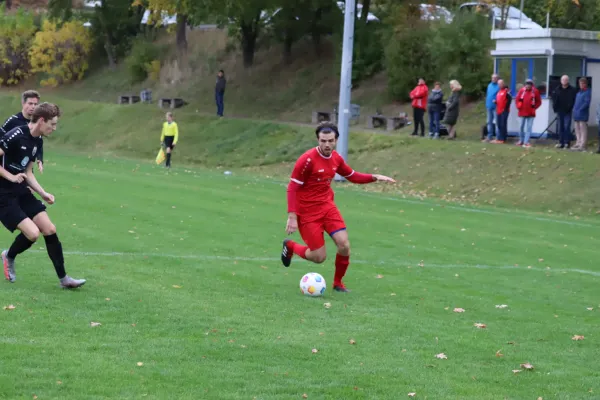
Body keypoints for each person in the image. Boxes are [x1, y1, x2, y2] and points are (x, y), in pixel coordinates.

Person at [280, 122, 396, 292]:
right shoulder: (307, 160)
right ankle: (290, 246)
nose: (327, 144)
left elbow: (352, 175)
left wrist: (374, 177)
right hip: (308, 213)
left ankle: (338, 283)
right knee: (318, 257)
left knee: (344, 245)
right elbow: (293, 187)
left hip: (327, 208)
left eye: (330, 141)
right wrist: (292, 216)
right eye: (323, 141)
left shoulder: (336, 158)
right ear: (318, 140)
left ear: (336, 140)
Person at [0, 103, 86, 288]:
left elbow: (28, 172)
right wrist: (11, 176)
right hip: (3, 194)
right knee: (32, 234)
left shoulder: (38, 140)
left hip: (21, 190)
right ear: (41, 121)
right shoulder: (15, 134)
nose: (54, 128)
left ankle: (64, 280)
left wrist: (43, 193)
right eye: (52, 124)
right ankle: (9, 256)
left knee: (50, 229)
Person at [1, 90, 44, 173]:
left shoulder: (37, 124)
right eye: (30, 103)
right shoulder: (13, 121)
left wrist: (40, 158)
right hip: (9, 166)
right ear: (23, 103)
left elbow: (38, 142)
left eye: (35, 104)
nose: (33, 107)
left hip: (26, 166)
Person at [551, 75, 577, 149]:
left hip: (568, 111)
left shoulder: (572, 90)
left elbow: (574, 100)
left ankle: (567, 143)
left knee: (566, 127)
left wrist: (570, 107)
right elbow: (554, 99)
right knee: (560, 127)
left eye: (565, 80)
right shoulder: (557, 89)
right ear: (561, 81)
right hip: (560, 111)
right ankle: (560, 142)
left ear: (568, 81)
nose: (564, 81)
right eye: (563, 80)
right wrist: (555, 108)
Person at [515, 79, 541, 148]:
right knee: (521, 126)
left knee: (529, 128)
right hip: (522, 112)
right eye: (526, 85)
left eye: (529, 85)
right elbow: (517, 100)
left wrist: (534, 107)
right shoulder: (521, 91)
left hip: (531, 113)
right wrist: (518, 106)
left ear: (531, 85)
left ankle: (526, 142)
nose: (528, 86)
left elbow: (539, 102)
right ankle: (521, 140)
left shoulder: (535, 91)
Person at [572, 77, 591, 151]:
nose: (581, 85)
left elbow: (586, 102)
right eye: (580, 83)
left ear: (585, 84)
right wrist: (574, 109)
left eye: (583, 83)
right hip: (576, 113)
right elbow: (576, 102)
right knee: (577, 128)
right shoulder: (579, 92)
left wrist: (580, 109)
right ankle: (578, 142)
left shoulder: (587, 92)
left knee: (582, 128)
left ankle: (583, 144)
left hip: (582, 113)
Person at [493, 79, 512, 144]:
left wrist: (505, 108)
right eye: (498, 84)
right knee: (499, 124)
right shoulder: (499, 91)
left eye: (500, 84)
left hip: (504, 111)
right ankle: (500, 138)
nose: (499, 85)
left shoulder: (506, 91)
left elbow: (509, 99)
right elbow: (500, 100)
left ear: (503, 84)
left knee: (503, 124)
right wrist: (495, 102)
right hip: (498, 110)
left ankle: (502, 138)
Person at [484, 74, 500, 142]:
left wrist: (496, 101)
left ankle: (497, 137)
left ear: (497, 79)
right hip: (489, 106)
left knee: (497, 122)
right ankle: (489, 136)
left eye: (495, 78)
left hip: (496, 107)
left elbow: (500, 97)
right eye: (492, 78)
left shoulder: (499, 86)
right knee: (489, 122)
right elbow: (488, 95)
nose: (493, 79)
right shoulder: (489, 85)